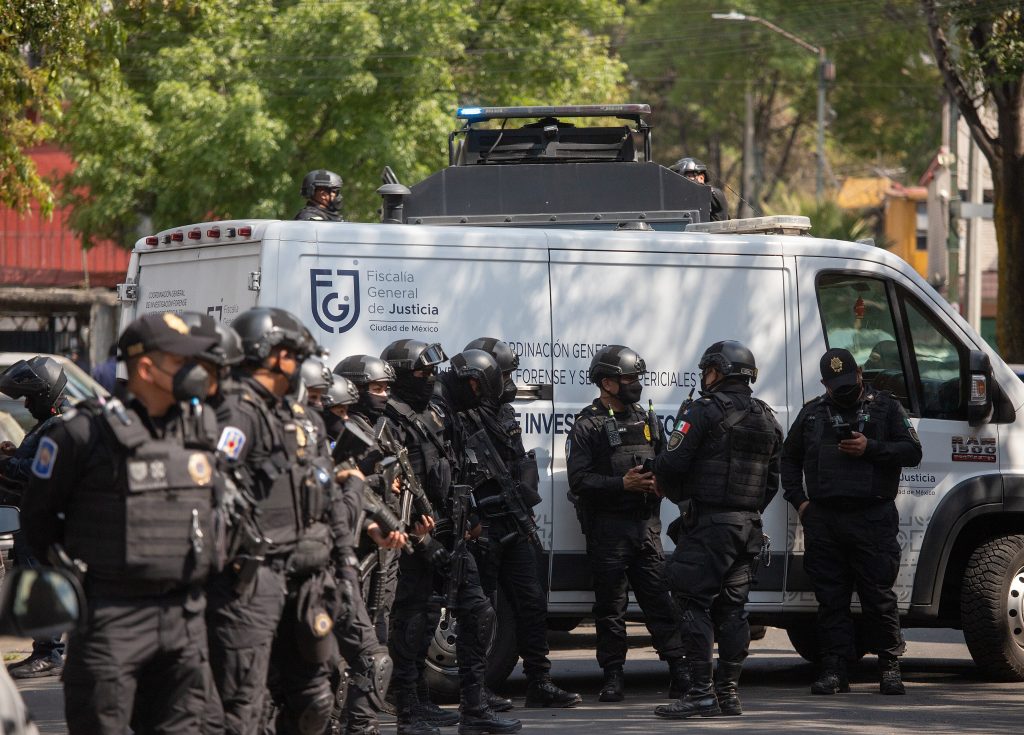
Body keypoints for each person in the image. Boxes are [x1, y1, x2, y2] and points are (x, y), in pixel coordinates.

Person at [21, 312, 221, 734]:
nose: (195, 371)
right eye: (182, 361)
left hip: (185, 618)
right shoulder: (82, 433)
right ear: (146, 367)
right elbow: (39, 523)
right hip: (112, 617)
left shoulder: (200, 427)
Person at [220, 306, 343, 734]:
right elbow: (216, 489)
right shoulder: (236, 412)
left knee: (315, 700)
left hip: (304, 579)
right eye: (292, 355)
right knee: (245, 703)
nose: (297, 366)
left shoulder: (294, 417)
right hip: (252, 582)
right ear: (270, 354)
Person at [650, 340, 782, 719]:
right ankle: (728, 693)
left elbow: (673, 463)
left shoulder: (703, 411)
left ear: (718, 372)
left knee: (692, 602)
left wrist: (667, 478)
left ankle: (699, 693)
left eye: (707, 371)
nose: (704, 378)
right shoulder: (767, 416)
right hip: (748, 528)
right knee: (734, 610)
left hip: (709, 528)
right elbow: (772, 482)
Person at [781, 347, 922, 697]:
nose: (842, 390)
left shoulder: (886, 407)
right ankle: (833, 670)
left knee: (878, 597)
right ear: (824, 384)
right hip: (825, 519)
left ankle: (889, 667)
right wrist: (800, 502)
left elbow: (912, 452)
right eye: (834, 385)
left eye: (847, 381)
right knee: (831, 600)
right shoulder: (812, 414)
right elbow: (788, 457)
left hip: (871, 517)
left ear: (859, 374)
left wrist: (870, 447)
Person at [462, 337, 581, 709]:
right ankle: (476, 687)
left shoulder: (504, 415)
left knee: (531, 602)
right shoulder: (461, 415)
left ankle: (539, 681)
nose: (512, 383)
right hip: (484, 525)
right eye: (506, 375)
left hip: (514, 521)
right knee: (479, 611)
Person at [564, 345, 687, 703]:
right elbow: (579, 481)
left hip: (645, 529)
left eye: (637, 378)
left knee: (659, 603)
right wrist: (622, 484)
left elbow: (664, 463)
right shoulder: (587, 424)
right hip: (608, 532)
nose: (636, 384)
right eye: (629, 378)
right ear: (607, 383)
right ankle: (613, 676)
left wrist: (659, 484)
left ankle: (679, 670)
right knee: (611, 608)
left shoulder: (647, 420)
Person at [431, 349, 521, 735]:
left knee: (478, 612)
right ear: (471, 383)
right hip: (431, 530)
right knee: (418, 619)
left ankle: (474, 708)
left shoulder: (448, 406)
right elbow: (430, 472)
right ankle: (412, 707)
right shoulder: (437, 406)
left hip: (455, 525)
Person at [379, 339, 461, 733]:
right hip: (409, 532)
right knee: (409, 617)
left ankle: (421, 696)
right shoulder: (390, 420)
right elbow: (396, 483)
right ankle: (406, 702)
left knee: (428, 614)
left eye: (432, 372)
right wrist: (418, 535)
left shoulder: (428, 413)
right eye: (421, 372)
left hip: (436, 526)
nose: (430, 378)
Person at [0, 356, 70, 679]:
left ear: (45, 395)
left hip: (41, 523)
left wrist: (6, 464)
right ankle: (46, 649)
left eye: (30, 397)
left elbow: (39, 471)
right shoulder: (48, 426)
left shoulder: (57, 427)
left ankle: (49, 652)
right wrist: (12, 453)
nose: (26, 404)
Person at [670, 157, 729, 221]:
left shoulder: (714, 194)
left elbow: (710, 193)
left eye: (688, 176)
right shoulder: (682, 198)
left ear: (701, 178)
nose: (684, 181)